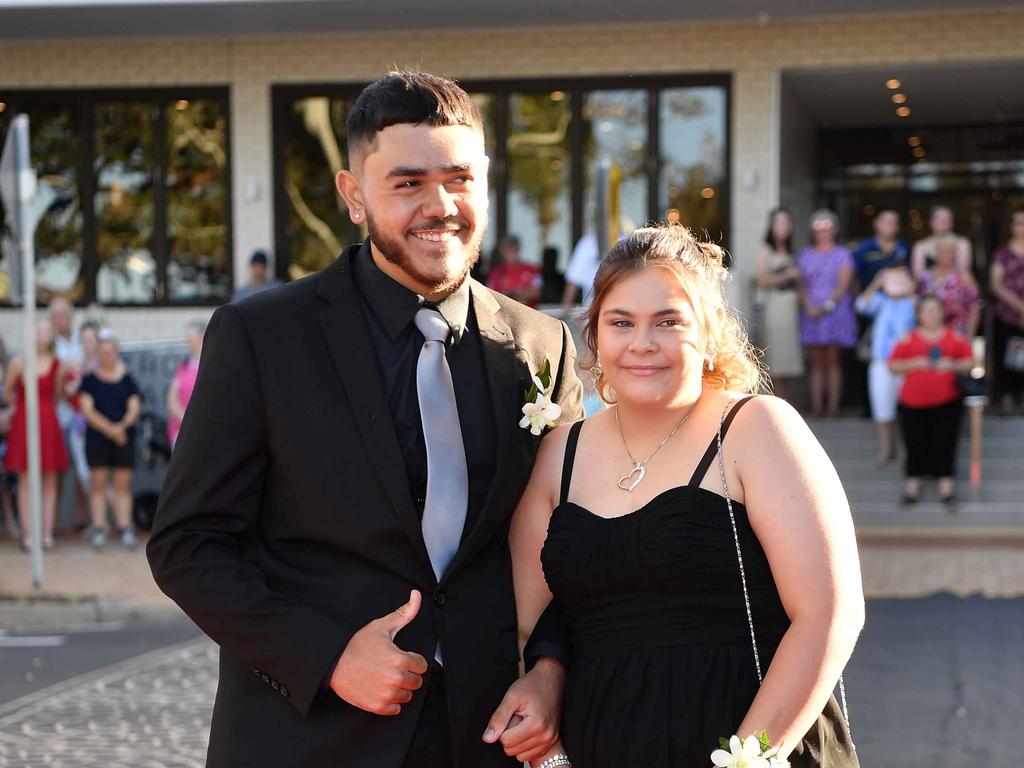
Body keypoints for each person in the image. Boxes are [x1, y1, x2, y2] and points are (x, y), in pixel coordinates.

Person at [146, 71, 583, 768]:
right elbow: (187, 545)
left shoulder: (542, 346)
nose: (440, 205)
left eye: (459, 179)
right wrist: (325, 656)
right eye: (408, 183)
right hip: (311, 734)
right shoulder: (262, 337)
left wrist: (551, 670)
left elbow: (572, 546)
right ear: (354, 196)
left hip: (488, 735)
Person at [503, 225, 863, 767]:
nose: (642, 343)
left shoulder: (756, 428)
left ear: (710, 331)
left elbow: (829, 614)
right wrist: (542, 697)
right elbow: (523, 623)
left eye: (668, 322)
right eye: (621, 322)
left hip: (750, 739)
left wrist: (752, 760)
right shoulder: (561, 454)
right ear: (595, 334)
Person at [889, 295, 973, 506]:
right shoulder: (908, 339)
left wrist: (951, 365)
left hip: (947, 402)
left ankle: (947, 488)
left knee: (945, 443)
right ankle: (912, 488)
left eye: (935, 309)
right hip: (912, 403)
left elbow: (970, 362)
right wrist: (915, 363)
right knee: (914, 443)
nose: (931, 314)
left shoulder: (954, 338)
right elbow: (892, 365)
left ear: (942, 312)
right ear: (919, 315)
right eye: (926, 310)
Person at [3, 320, 71, 551]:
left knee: (50, 478)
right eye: (39, 332)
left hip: (47, 420)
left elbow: (56, 396)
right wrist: (17, 407)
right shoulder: (18, 362)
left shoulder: (57, 364)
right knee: (25, 479)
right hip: (24, 421)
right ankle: (28, 533)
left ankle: (47, 534)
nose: (44, 336)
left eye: (47, 333)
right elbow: (6, 392)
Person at [79, 330, 142, 550]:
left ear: (116, 353)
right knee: (98, 484)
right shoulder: (88, 380)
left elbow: (134, 408)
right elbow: (87, 409)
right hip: (98, 439)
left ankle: (125, 528)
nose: (106, 355)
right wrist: (112, 430)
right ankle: (99, 528)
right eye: (102, 352)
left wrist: (121, 427)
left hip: (124, 439)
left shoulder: (128, 379)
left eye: (110, 351)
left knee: (123, 486)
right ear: (97, 354)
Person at [797, 209, 858, 418]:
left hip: (834, 310)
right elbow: (801, 283)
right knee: (815, 360)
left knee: (833, 359)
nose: (822, 231)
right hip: (811, 311)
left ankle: (832, 407)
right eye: (818, 228)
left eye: (826, 227)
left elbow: (844, 282)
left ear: (834, 229)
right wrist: (809, 306)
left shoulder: (842, 254)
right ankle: (817, 406)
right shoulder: (805, 254)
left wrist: (827, 305)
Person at [855, 266, 917, 465]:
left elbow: (922, 313)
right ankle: (885, 449)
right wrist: (878, 281)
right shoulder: (881, 302)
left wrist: (910, 289)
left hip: (907, 363)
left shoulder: (913, 303)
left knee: (907, 407)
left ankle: (906, 450)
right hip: (881, 362)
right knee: (882, 407)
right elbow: (861, 305)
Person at [754, 207, 803, 396]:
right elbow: (761, 279)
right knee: (776, 358)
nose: (783, 226)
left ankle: (786, 403)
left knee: (787, 359)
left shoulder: (790, 249)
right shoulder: (765, 249)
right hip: (775, 306)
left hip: (790, 306)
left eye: (786, 222)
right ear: (772, 225)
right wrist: (787, 274)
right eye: (779, 222)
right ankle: (776, 403)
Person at [989, 208, 1024, 413]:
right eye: (1018, 222)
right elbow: (996, 284)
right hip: (1008, 315)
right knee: (1007, 357)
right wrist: (1020, 307)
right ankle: (1007, 397)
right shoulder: (1003, 252)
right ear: (1011, 226)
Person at [916, 234, 980, 339]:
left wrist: (969, 337)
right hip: (929, 335)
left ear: (955, 253)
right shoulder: (925, 276)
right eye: (941, 250)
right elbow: (918, 305)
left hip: (957, 335)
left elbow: (974, 308)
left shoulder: (964, 276)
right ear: (935, 253)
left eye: (950, 250)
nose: (946, 254)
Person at [166, 320, 205, 448]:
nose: (187, 340)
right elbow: (172, 398)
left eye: (190, 337)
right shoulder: (184, 365)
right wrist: (187, 422)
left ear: (202, 337)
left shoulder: (214, 366)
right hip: (182, 430)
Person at [852, 209, 910, 289]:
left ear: (897, 227)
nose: (888, 224)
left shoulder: (903, 246)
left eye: (892, 222)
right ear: (875, 223)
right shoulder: (865, 247)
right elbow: (855, 277)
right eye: (884, 221)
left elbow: (910, 273)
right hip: (871, 296)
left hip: (899, 296)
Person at [910, 205, 971, 278]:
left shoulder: (962, 243)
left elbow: (964, 273)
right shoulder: (920, 246)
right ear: (931, 222)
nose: (944, 223)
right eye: (939, 219)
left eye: (948, 219)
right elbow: (918, 276)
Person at [486, 235, 543, 308]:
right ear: (501, 250)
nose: (510, 250)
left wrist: (509, 295)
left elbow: (536, 293)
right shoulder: (495, 272)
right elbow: (490, 296)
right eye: (507, 247)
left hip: (528, 314)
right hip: (503, 315)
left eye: (513, 247)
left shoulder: (532, 269)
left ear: (518, 248)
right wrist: (521, 293)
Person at [561, 232, 600, 315]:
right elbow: (573, 278)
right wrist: (566, 310)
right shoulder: (589, 242)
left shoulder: (626, 239)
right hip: (593, 310)